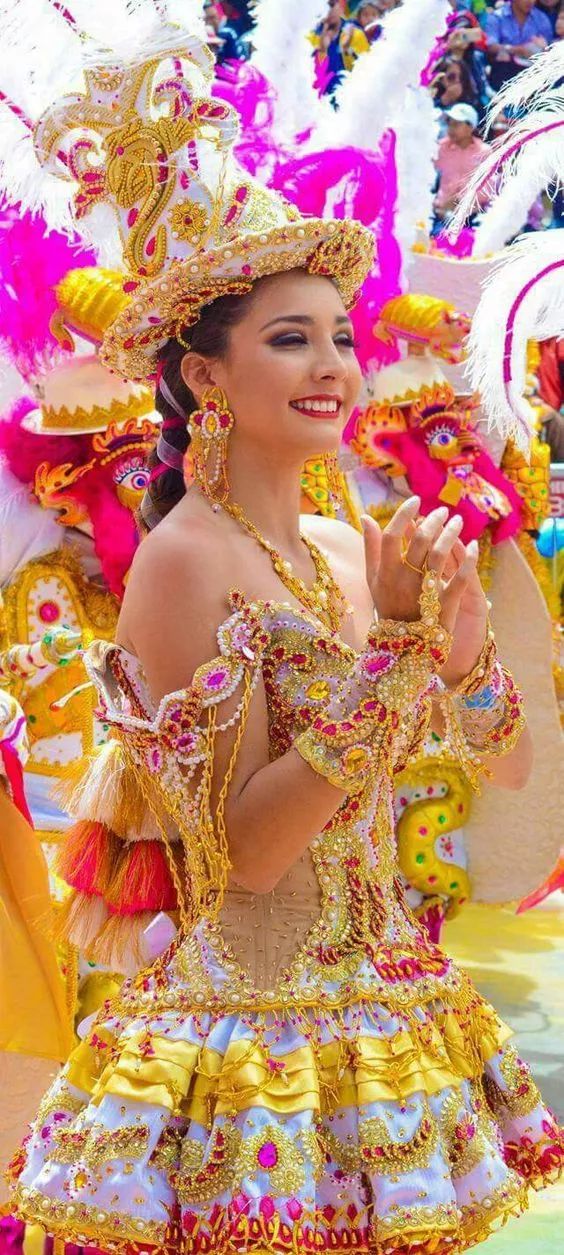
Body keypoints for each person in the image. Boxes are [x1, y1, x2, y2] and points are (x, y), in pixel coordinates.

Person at [6, 12, 564, 1255]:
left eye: (342, 336)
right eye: (290, 338)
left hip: (393, 1025)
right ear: (205, 378)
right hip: (247, 1056)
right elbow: (247, 855)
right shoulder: (181, 560)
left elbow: (511, 766)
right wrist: (398, 654)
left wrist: (461, 654)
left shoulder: (343, 549)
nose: (334, 366)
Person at [433, 103, 490, 223]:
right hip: (441, 214)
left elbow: (488, 187)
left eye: (456, 124)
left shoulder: (484, 151)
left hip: (472, 216)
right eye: (449, 124)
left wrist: (458, 201)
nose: (451, 128)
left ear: (470, 127)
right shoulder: (441, 148)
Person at [485, 0, 554, 91]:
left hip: (533, 70)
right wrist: (515, 50)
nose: (530, 2)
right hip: (504, 70)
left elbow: (549, 48)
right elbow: (490, 46)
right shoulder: (497, 17)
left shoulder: (541, 18)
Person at [311, 0, 370, 96]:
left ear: (342, 4)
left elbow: (368, 73)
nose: (329, 10)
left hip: (345, 98)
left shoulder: (355, 35)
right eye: (326, 5)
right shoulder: (308, 35)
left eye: (332, 4)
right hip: (312, 98)